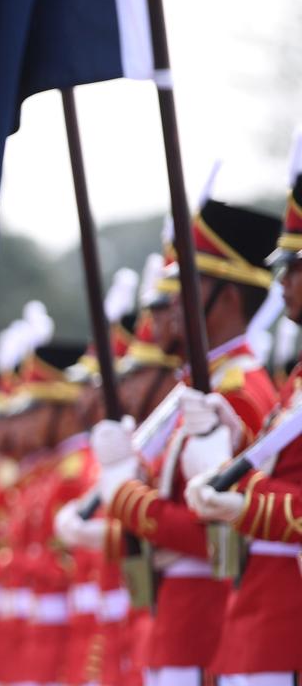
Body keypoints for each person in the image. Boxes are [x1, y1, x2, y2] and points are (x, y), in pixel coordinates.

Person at [92, 200, 280, 686]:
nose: (166, 309)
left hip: (204, 621)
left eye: (182, 292)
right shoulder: (205, 389)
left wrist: (124, 497)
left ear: (228, 298)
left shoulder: (239, 393)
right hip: (178, 618)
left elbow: (217, 535)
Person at [183, 149, 302, 684]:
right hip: (258, 616)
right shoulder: (295, 378)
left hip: (279, 619)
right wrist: (238, 445)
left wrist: (239, 497)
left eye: (292, 267)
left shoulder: (254, 383)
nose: (282, 283)